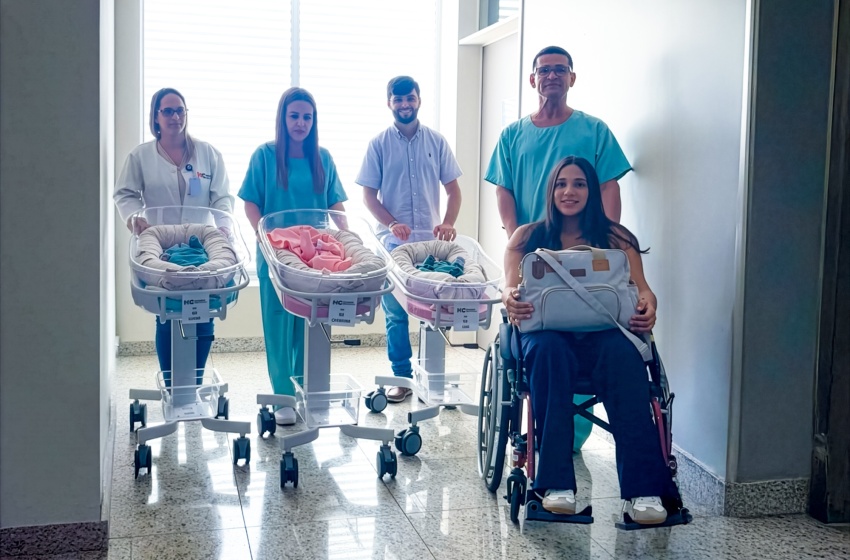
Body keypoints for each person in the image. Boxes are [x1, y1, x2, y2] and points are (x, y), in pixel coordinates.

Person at [502, 156, 677, 524]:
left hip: (604, 334)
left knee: (624, 354)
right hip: (547, 336)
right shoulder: (528, 238)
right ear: (550, 191)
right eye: (562, 183)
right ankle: (555, 486)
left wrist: (648, 306)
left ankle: (644, 491)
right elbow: (508, 288)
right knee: (549, 352)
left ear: (592, 191)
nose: (570, 191)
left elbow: (643, 291)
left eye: (579, 183)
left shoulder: (617, 238)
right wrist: (510, 300)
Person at [239, 87, 347, 425]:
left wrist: (347, 237)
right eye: (294, 116)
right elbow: (250, 202)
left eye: (307, 117)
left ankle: (306, 387)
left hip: (316, 256)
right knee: (278, 324)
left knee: (311, 320)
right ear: (283, 118)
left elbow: (336, 204)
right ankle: (283, 396)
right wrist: (264, 237)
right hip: (277, 256)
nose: (300, 123)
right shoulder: (265, 156)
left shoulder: (323, 158)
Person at [114, 87, 233, 384]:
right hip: (162, 248)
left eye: (180, 110)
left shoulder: (208, 154)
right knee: (167, 313)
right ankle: (171, 384)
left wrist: (225, 228)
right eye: (167, 111)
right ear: (155, 117)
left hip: (199, 245)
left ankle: (193, 382)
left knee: (204, 310)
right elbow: (125, 194)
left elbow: (221, 198)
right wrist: (134, 218)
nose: (175, 116)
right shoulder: (140, 156)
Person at [356, 75, 463, 403]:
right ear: (389, 102)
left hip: (429, 246)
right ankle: (400, 376)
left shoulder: (437, 142)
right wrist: (391, 224)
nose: (404, 104)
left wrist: (448, 222)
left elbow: (454, 190)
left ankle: (432, 376)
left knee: (434, 309)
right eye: (397, 99)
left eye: (410, 98)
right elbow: (369, 197)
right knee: (396, 312)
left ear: (419, 100)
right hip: (393, 245)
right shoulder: (378, 144)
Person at [485, 45, 632, 233]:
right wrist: (515, 239)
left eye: (560, 70)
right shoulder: (511, 135)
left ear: (572, 78)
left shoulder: (595, 130)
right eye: (544, 70)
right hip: (532, 243)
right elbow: (504, 190)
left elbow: (608, 187)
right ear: (532, 79)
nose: (552, 76)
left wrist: (610, 239)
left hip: (584, 243)